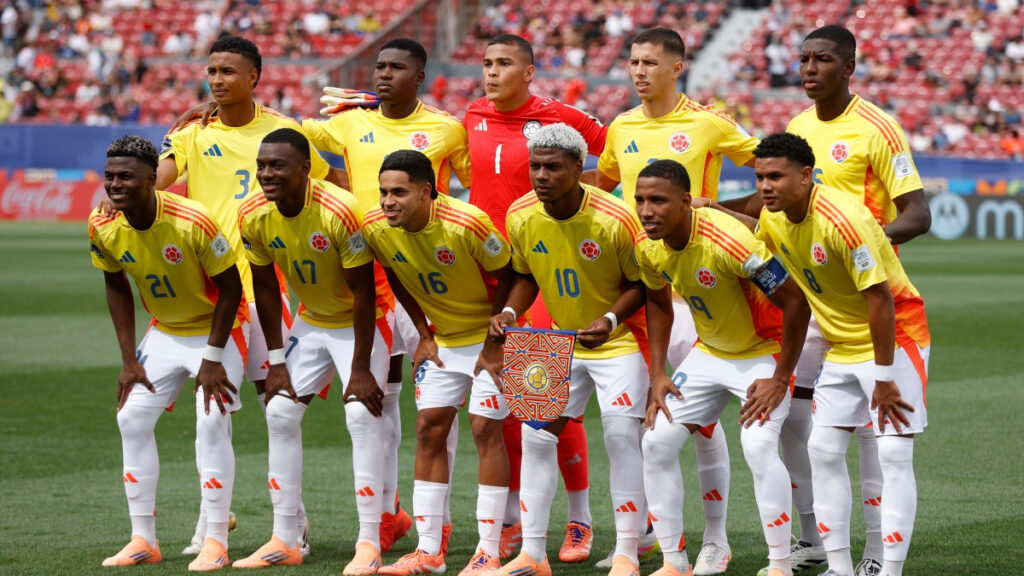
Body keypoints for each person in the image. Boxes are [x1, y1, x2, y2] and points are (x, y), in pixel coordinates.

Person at [158, 35, 334, 555]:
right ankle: (214, 520)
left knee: (275, 405)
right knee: (216, 407)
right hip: (218, 288)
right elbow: (161, 181)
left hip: (265, 284)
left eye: (228, 71)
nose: (216, 80)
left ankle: (306, 520)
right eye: (211, 70)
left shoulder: (283, 130)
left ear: (254, 76)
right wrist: (169, 137)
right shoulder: (194, 132)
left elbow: (320, 184)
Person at [596, 27, 760, 574]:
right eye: (632, 62)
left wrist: (722, 206)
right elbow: (604, 191)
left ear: (677, 67)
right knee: (623, 427)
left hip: (693, 293)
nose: (638, 71)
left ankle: (715, 538)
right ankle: (626, 542)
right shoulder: (618, 126)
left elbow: (773, 170)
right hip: (633, 285)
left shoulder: (708, 121)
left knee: (697, 422)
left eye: (649, 62)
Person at [773, 25, 932, 576]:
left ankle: (875, 556)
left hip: (865, 295)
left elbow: (918, 212)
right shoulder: (795, 128)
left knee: (878, 439)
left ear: (849, 68)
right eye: (803, 59)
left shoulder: (877, 129)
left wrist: (859, 242)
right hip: (821, 307)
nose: (809, 69)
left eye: (821, 60)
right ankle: (815, 538)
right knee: (800, 428)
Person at [305, 37, 474, 554]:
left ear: (419, 75)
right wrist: (216, 111)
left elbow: (478, 179)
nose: (384, 74)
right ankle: (387, 514)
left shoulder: (447, 128)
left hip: (421, 279)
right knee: (382, 403)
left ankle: (442, 525)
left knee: (436, 409)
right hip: (364, 274)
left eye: (396, 67)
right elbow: (282, 134)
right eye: (379, 67)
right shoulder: (350, 122)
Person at [464, 33, 606, 563]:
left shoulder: (558, 117)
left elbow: (613, 159)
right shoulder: (472, 114)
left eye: (504, 64)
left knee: (545, 407)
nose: (492, 72)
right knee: (504, 411)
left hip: (543, 271)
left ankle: (579, 521)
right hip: (491, 275)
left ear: (528, 72)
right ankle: (516, 523)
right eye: (486, 63)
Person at [634, 159, 810, 576]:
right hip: (709, 354)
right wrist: (659, 373)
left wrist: (779, 378)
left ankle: (780, 565)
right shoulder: (647, 246)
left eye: (658, 200)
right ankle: (674, 563)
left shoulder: (729, 241)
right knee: (655, 443)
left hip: (762, 356)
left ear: (685, 201)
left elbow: (795, 303)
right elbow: (657, 303)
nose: (646, 211)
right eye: (640, 200)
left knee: (759, 446)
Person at [488, 124, 649, 576]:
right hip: (554, 338)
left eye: (552, 167)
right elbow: (524, 274)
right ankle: (533, 555)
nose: (541, 175)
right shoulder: (521, 214)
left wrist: (611, 319)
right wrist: (509, 312)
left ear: (579, 169)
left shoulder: (616, 218)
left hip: (616, 343)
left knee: (621, 441)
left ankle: (627, 554)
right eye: (535, 166)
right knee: (535, 439)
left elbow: (643, 284)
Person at [233, 128, 390, 572]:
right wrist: (276, 361)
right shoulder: (252, 214)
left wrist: (359, 369)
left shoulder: (341, 211)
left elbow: (363, 293)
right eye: (262, 165)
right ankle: (285, 538)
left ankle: (369, 542)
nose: (266, 173)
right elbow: (265, 287)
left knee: (362, 414)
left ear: (305, 170)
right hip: (313, 320)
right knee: (279, 412)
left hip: (364, 320)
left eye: (277, 165)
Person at [90, 135, 244, 571]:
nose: (115, 185)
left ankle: (215, 541)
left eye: (126, 176)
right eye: (110, 177)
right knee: (130, 417)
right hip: (166, 331)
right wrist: (128, 359)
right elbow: (115, 284)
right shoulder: (101, 224)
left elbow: (232, 290)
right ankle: (143, 540)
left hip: (219, 327)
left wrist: (212, 359)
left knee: (212, 420)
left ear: (153, 178)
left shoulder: (193, 220)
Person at [363, 150, 513, 576]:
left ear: (426, 192)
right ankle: (428, 552)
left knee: (486, 429)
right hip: (444, 340)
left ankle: (487, 551)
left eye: (399, 192)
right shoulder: (378, 229)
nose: (388, 201)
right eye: (383, 192)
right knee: (429, 427)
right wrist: (424, 335)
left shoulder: (467, 222)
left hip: (492, 340)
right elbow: (393, 272)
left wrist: (494, 343)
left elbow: (511, 275)